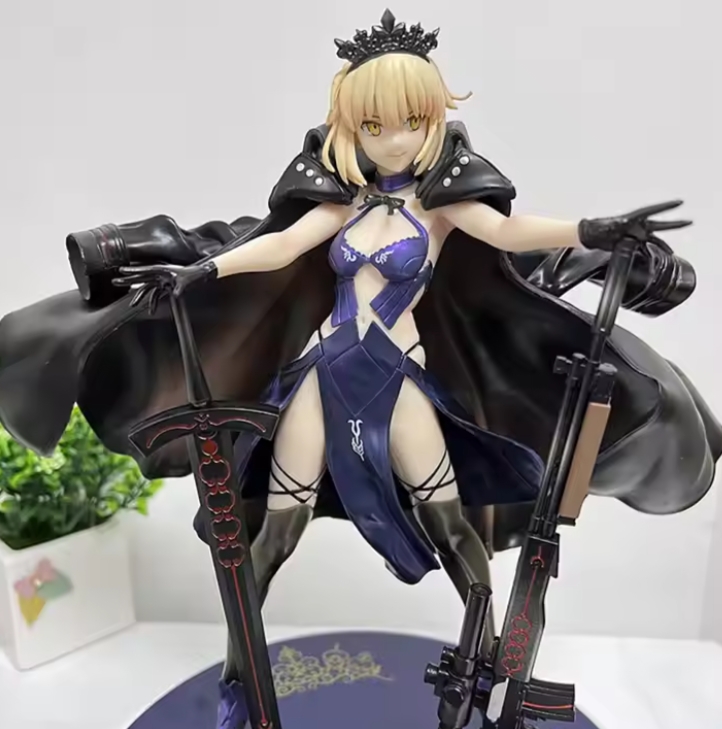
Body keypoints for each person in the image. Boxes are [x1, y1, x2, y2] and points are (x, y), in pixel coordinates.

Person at [0, 11, 719, 729]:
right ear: (352, 126)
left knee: (451, 528)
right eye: (374, 125)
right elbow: (281, 247)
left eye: (410, 121)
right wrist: (202, 272)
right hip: (326, 371)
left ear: (433, 118)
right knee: (271, 538)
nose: (393, 139)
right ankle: (238, 679)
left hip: (397, 374)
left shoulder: (439, 207)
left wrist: (589, 230)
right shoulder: (342, 203)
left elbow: (505, 231)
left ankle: (489, 660)